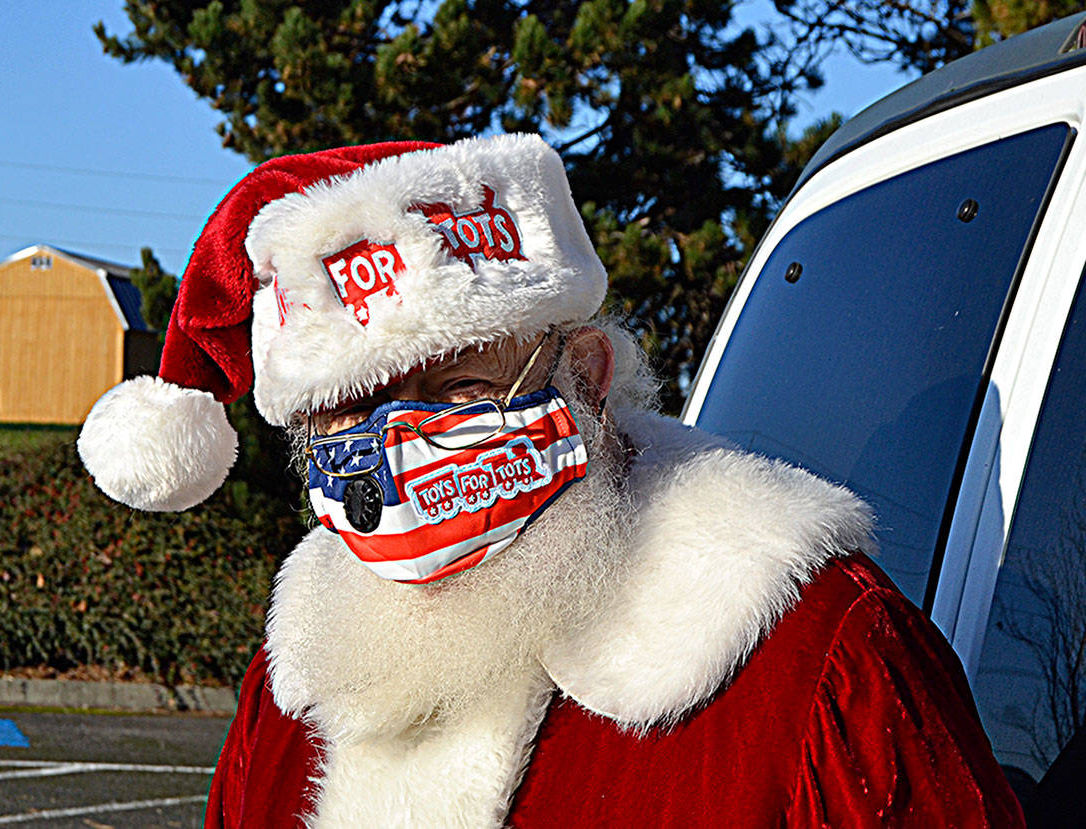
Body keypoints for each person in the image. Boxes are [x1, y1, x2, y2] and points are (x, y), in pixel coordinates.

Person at [77, 135, 1025, 827]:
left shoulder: (812, 654)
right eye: (349, 408)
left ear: (590, 382)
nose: (399, 447)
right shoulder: (294, 683)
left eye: (459, 384)